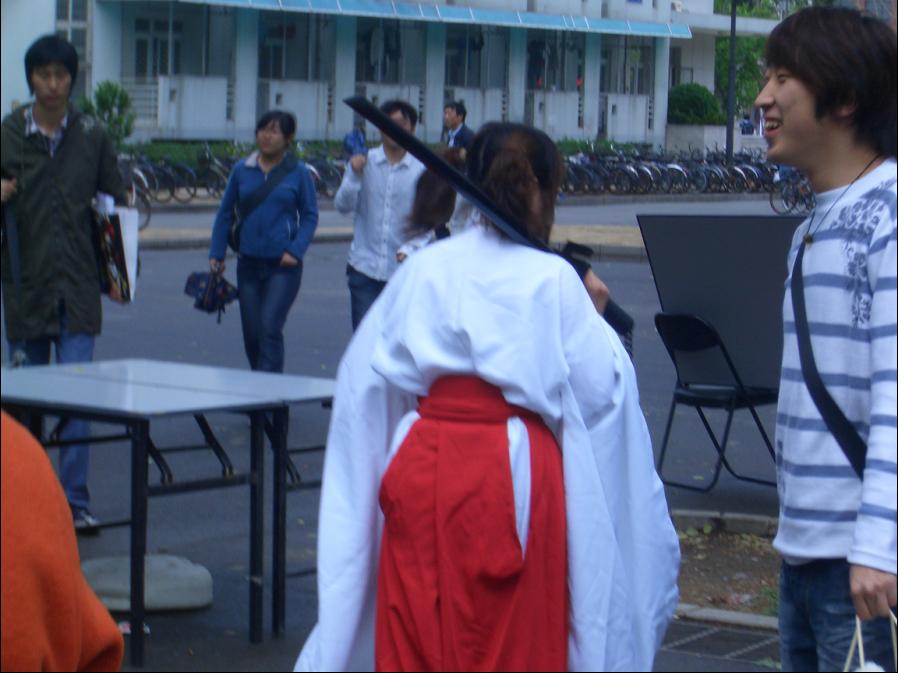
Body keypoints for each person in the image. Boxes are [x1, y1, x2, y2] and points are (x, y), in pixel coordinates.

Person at [294, 122, 680, 672]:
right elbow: (601, 397)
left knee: (417, 630)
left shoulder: (424, 266)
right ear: (544, 191)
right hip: (515, 475)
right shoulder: (554, 279)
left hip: (421, 464)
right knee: (510, 643)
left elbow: (366, 386)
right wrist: (596, 325)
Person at [754, 7, 897, 671]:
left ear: (844, 98)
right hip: (806, 555)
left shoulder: (888, 216)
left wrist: (878, 546)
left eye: (784, 78)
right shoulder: (812, 227)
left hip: (863, 568)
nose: (764, 98)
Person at [0, 35, 128, 533]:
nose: (52, 84)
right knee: (24, 403)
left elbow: (114, 204)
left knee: (77, 401)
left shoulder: (92, 134)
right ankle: (26, 502)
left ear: (72, 79)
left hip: (77, 288)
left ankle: (74, 501)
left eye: (61, 75)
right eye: (43, 75)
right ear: (31, 78)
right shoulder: (9, 133)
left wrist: (118, 276)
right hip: (25, 286)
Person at [1, 411, 124, 671]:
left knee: (75, 419)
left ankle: (76, 502)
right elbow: (97, 649)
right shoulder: (23, 456)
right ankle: (75, 503)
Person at [209, 110, 318, 373]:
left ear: (288, 138)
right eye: (263, 130)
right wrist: (217, 253)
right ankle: (262, 385)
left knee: (269, 327)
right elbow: (225, 213)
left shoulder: (298, 172)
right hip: (248, 263)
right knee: (252, 333)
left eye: (274, 131)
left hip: (283, 266)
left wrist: (295, 250)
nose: (267, 136)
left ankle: (269, 393)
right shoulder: (242, 170)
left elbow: (310, 215)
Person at [335, 99, 425, 330]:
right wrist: (354, 175)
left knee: (396, 338)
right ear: (379, 127)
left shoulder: (422, 170)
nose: (394, 129)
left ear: (413, 128)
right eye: (388, 123)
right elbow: (342, 206)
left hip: (402, 272)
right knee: (364, 337)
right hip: (364, 268)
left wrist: (411, 248)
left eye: (401, 124)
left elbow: (426, 221)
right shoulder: (365, 162)